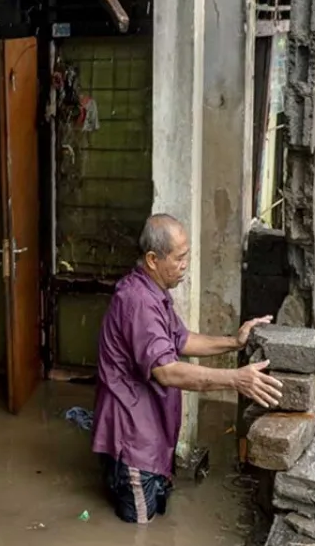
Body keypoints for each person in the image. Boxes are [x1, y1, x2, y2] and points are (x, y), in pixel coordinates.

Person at [91, 214, 283, 524]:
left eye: (187, 256)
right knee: (139, 530)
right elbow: (166, 371)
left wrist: (234, 341)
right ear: (153, 259)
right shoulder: (138, 301)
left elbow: (182, 340)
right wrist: (235, 379)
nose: (185, 265)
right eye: (179, 258)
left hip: (151, 432)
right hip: (133, 439)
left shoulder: (154, 292)